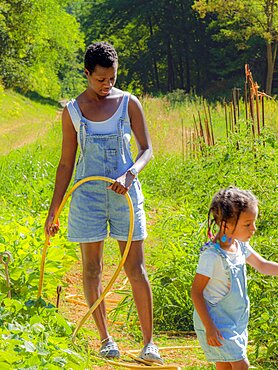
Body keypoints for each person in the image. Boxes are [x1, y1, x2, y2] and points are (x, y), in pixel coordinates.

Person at [45, 41, 163, 364]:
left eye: (111, 78)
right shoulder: (72, 111)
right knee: (92, 268)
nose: (106, 85)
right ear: (86, 73)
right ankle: (105, 339)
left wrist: (130, 175)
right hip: (88, 196)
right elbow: (66, 164)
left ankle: (149, 343)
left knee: (134, 266)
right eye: (100, 79)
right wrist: (53, 210)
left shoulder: (129, 103)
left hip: (125, 193)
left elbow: (146, 150)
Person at [191, 186, 278, 370]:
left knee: (224, 365)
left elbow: (262, 265)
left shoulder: (239, 246)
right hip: (217, 322)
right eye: (247, 224)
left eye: (253, 222)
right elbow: (196, 292)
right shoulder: (212, 256)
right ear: (225, 225)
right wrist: (209, 327)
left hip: (235, 320)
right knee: (241, 365)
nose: (253, 229)